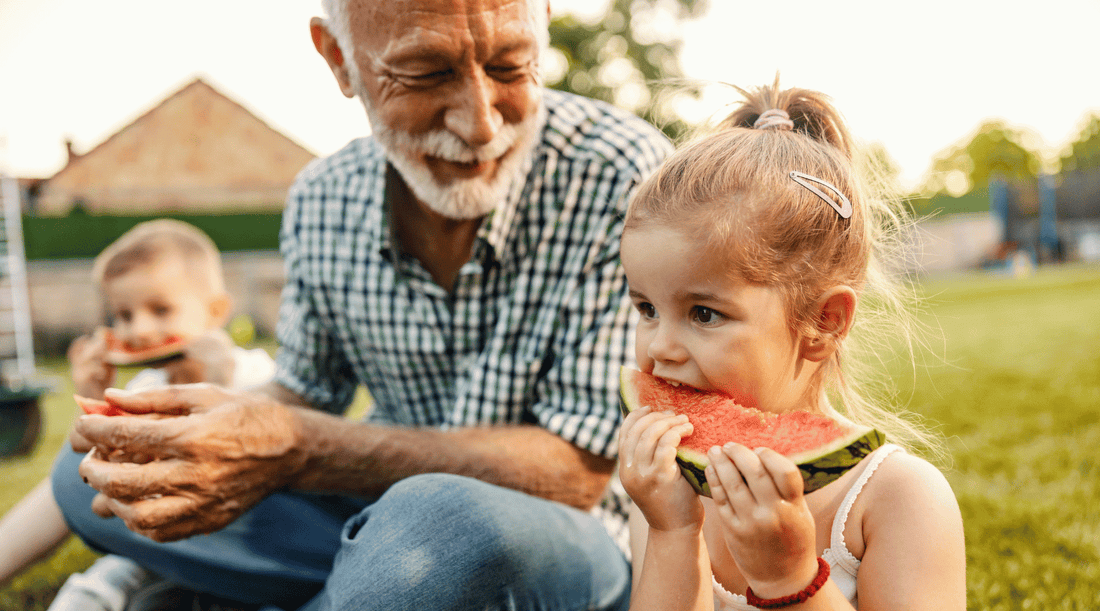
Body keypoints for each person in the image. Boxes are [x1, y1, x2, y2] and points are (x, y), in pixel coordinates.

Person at [52, 0, 673, 609]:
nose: (481, 123)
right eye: (427, 73)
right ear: (338, 59)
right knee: (85, 475)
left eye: (512, 66)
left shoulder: (621, 172)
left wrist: (299, 445)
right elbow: (303, 391)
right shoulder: (321, 198)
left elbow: (581, 470)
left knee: (443, 530)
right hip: (371, 519)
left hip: (560, 538)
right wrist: (195, 434)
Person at [616, 81, 967, 610]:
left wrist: (791, 578)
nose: (660, 347)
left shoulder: (899, 499)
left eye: (703, 313)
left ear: (823, 323)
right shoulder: (667, 492)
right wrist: (670, 535)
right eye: (646, 309)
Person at [0, 219, 276, 610]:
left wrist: (222, 383)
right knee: (95, 589)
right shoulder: (142, 389)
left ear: (216, 311)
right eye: (124, 315)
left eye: (161, 309)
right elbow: (83, 471)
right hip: (155, 539)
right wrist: (92, 397)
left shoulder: (257, 373)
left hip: (241, 538)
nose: (140, 330)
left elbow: (268, 451)